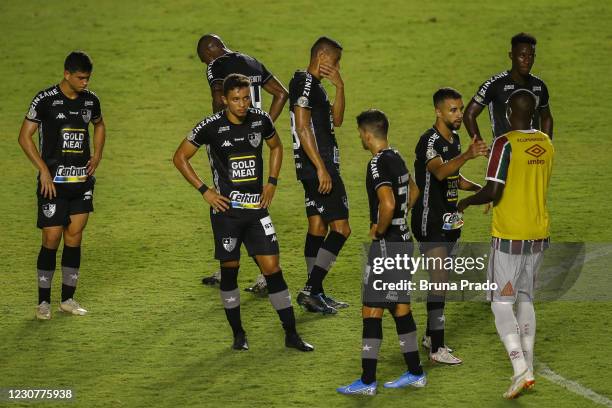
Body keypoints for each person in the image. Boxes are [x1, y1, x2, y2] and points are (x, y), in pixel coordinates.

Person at [173, 74, 313, 352]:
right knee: (230, 271)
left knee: (273, 269)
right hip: (227, 215)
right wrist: (206, 191)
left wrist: (271, 182)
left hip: (257, 211)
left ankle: (291, 334)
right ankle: (238, 333)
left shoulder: (261, 120)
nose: (242, 104)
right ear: (224, 100)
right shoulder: (210, 126)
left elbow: (276, 146)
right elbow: (180, 157)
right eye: (236, 99)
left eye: (246, 97)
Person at [458, 89, 554, 399]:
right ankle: (528, 364)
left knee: (501, 302)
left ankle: (519, 369)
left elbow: (493, 191)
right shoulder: (546, 143)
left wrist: (466, 203)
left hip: (510, 233)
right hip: (538, 232)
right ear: (534, 114)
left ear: (509, 114)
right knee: (525, 298)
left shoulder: (504, 143)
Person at [337, 109, 425, 395]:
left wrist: (379, 229)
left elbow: (386, 204)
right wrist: (401, 216)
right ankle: (415, 372)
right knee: (400, 307)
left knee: (371, 311)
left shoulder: (376, 164)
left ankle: (366, 381)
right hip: (404, 241)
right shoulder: (396, 156)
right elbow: (414, 191)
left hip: (387, 246)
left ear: (366, 134)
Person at [197, 34, 289, 293]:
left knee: (223, 200)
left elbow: (217, 97)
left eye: (204, 59)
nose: (206, 64)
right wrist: (260, 128)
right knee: (251, 201)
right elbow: (281, 94)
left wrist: (220, 129)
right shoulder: (252, 61)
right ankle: (241, 266)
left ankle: (238, 265)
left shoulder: (216, 65)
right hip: (252, 144)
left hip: (227, 142)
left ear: (211, 51)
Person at [18, 51, 106, 320]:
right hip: (53, 185)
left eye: (88, 78)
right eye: (80, 78)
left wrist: (97, 154)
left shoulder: (90, 101)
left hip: (81, 181)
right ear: (67, 74)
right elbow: (24, 137)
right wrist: (43, 170)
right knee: (51, 239)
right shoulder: (45, 100)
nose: (85, 83)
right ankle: (43, 302)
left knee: (74, 237)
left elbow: (99, 126)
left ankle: (67, 299)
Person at [411, 88, 488, 364]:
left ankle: (432, 335)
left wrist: (480, 190)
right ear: (439, 111)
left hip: (450, 220)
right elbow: (441, 172)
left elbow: (455, 176)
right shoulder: (428, 141)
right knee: (440, 280)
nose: (459, 115)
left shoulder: (454, 139)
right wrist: (467, 155)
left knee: (442, 281)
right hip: (430, 220)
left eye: (460, 109)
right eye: (453, 110)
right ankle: (437, 350)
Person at [289, 36, 350, 314]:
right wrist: (321, 168)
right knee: (341, 229)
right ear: (323, 57)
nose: (337, 66)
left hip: (316, 167)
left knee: (317, 227)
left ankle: (318, 292)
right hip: (319, 167)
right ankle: (312, 289)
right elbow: (302, 128)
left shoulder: (317, 88)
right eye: (335, 61)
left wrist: (340, 86)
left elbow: (336, 121)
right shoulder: (303, 83)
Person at [463, 32, 554, 141]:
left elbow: (546, 117)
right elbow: (469, 115)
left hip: (531, 153)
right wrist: (481, 148)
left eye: (531, 56)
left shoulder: (539, 85)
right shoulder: (495, 84)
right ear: (511, 56)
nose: (527, 61)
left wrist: (546, 145)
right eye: (522, 56)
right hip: (505, 154)